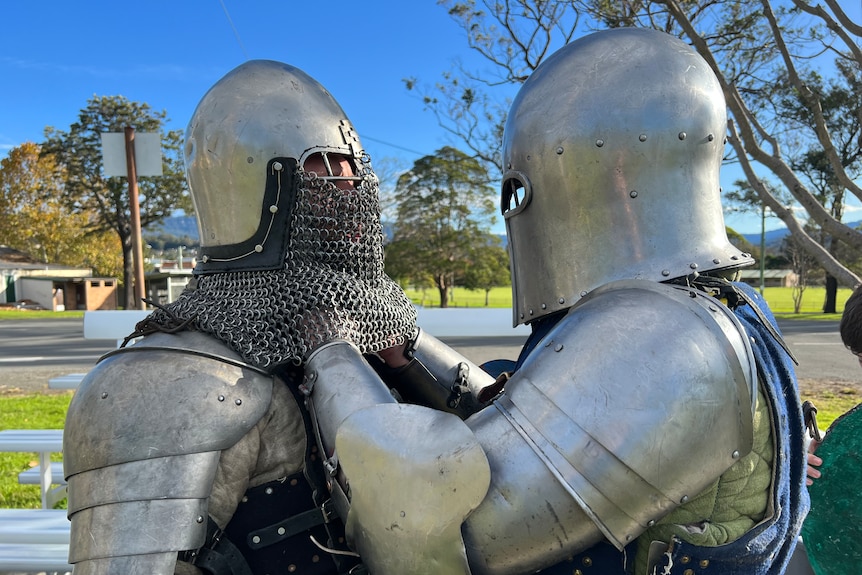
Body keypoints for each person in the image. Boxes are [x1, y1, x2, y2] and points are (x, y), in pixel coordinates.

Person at [303, 28, 809, 575]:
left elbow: (433, 531)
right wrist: (408, 351)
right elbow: (531, 434)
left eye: (519, 188)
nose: (516, 211)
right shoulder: (715, 299)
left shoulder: (662, 337)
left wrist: (329, 350)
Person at [61, 59, 427, 574]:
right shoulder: (165, 380)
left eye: (354, 164)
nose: (352, 184)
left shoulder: (377, 326)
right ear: (260, 183)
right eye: (326, 162)